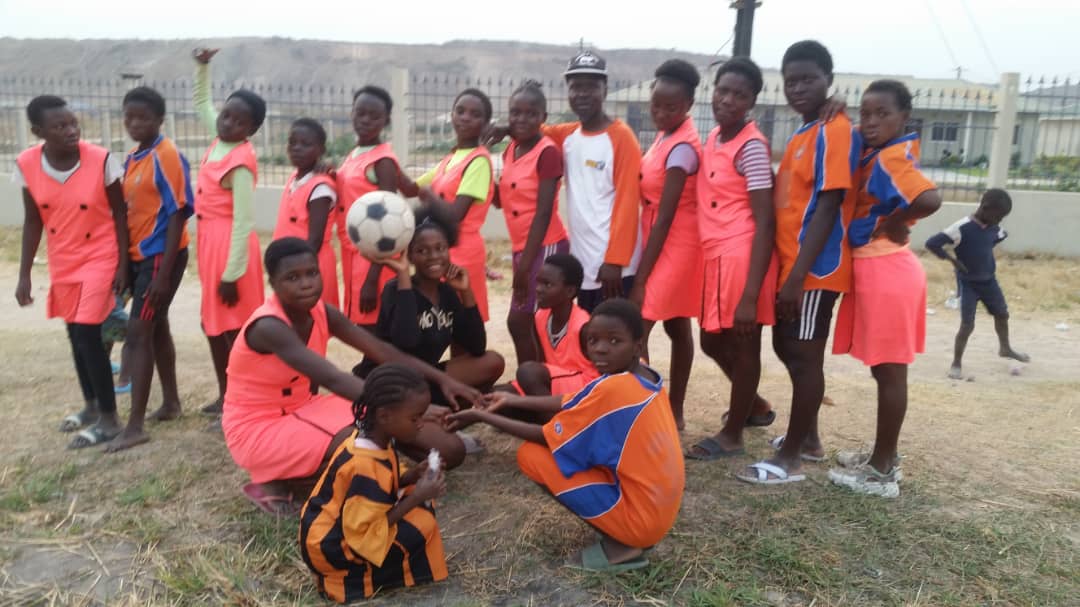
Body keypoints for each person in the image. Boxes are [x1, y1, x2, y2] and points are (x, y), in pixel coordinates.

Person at [222, 238, 480, 513]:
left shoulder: (322, 311)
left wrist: (444, 380)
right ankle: (275, 481)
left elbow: (382, 350)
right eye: (292, 277)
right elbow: (333, 378)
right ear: (273, 283)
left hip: (306, 408)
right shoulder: (268, 326)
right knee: (366, 449)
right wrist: (409, 409)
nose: (306, 283)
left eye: (312, 273)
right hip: (258, 425)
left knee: (450, 450)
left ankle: (342, 466)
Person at [447, 299, 683, 572]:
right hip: (658, 512)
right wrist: (512, 400)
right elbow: (576, 398)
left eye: (614, 341)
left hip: (643, 523)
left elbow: (546, 436)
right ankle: (627, 530)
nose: (600, 349)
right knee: (576, 455)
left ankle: (624, 545)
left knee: (532, 455)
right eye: (593, 340)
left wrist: (482, 416)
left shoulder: (616, 389)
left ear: (637, 346)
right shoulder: (642, 373)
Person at [738, 40, 860, 485]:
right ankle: (807, 439)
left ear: (829, 80)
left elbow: (827, 207)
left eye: (809, 79)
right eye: (791, 81)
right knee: (788, 348)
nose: (798, 88)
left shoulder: (834, 130)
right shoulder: (807, 131)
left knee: (805, 357)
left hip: (814, 270)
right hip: (793, 267)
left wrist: (796, 277)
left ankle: (790, 458)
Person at [828, 80, 942, 498]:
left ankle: (882, 471)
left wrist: (895, 222)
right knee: (883, 370)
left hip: (887, 271)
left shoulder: (893, 157)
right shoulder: (876, 147)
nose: (871, 122)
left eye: (883, 114)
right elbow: (850, 134)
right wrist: (838, 108)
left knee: (891, 371)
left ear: (904, 118)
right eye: (866, 113)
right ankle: (883, 455)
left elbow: (930, 199)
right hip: (879, 269)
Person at [14, 95, 129, 448]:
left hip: (100, 254)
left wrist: (123, 265)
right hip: (63, 257)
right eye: (60, 126)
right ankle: (91, 406)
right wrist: (24, 274)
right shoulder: (27, 164)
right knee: (74, 334)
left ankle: (110, 419)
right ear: (38, 131)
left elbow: (120, 213)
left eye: (73, 123)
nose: (71, 130)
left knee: (89, 333)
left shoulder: (101, 160)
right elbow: (33, 220)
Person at [685, 57, 781, 460]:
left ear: (752, 101)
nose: (727, 100)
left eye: (739, 95)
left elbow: (765, 222)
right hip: (716, 255)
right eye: (722, 90)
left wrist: (750, 295)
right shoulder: (715, 138)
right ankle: (754, 406)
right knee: (711, 340)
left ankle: (732, 435)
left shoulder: (751, 147)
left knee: (744, 346)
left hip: (742, 256)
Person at [300, 364, 448, 603]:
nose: (421, 424)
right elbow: (364, 532)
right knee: (423, 524)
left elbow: (383, 484)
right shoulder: (363, 464)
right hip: (333, 550)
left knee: (419, 501)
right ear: (384, 416)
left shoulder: (371, 439)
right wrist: (416, 498)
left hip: (334, 531)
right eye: (415, 418)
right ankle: (362, 579)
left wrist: (412, 476)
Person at [106, 86, 194, 452]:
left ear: (159, 119)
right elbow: (128, 214)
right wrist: (125, 264)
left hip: (160, 257)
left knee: (139, 333)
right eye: (129, 117)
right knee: (156, 326)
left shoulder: (166, 155)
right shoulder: (132, 158)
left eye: (143, 117)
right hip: (139, 257)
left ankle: (134, 426)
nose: (134, 123)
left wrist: (162, 274)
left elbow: (177, 214)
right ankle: (171, 403)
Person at [528, 51, 642, 312]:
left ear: (605, 90)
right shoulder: (568, 136)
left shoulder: (622, 138)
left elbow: (627, 202)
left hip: (614, 267)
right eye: (575, 87)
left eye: (591, 86)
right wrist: (505, 127)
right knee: (589, 330)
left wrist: (615, 260)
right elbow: (531, 128)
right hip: (584, 262)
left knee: (614, 332)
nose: (582, 94)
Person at [354, 205, 504, 403]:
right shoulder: (396, 289)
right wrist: (403, 276)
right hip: (388, 380)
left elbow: (476, 347)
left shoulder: (447, 293)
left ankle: (448, 414)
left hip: (424, 377)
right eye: (422, 251)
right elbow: (405, 343)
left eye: (440, 248)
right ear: (409, 256)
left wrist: (466, 291)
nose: (434, 256)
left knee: (492, 362)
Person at [628, 59, 703, 430]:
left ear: (688, 105)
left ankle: (656, 409)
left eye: (670, 107)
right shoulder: (666, 135)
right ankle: (669, 410)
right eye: (655, 105)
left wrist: (642, 277)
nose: (660, 112)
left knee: (638, 325)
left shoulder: (683, 148)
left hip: (677, 242)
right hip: (659, 236)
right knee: (677, 325)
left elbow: (667, 216)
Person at [191, 48, 267, 416]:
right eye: (226, 115)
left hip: (229, 249)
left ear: (250, 131)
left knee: (235, 327)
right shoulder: (219, 140)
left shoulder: (240, 161)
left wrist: (232, 274)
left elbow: (243, 222)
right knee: (212, 323)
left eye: (239, 122)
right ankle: (225, 396)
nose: (228, 123)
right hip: (209, 243)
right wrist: (202, 67)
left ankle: (243, 399)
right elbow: (201, 103)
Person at [405, 89, 495, 321]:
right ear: (452, 115)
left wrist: (429, 195)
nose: (465, 117)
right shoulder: (450, 159)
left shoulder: (479, 162)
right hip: (442, 250)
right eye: (460, 111)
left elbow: (455, 214)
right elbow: (410, 188)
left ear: (485, 124)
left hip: (463, 251)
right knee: (440, 321)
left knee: (463, 323)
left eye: (475, 114)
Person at [497, 80, 570, 363]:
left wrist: (525, 266)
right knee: (526, 322)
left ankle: (539, 379)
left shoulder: (547, 152)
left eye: (531, 114)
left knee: (524, 321)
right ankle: (534, 378)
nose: (521, 119)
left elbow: (543, 212)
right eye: (515, 112)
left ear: (543, 117)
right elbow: (505, 198)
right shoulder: (511, 149)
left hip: (545, 247)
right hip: (524, 248)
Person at [925, 188, 1028, 379]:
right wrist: (952, 260)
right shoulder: (961, 228)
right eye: (999, 216)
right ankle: (956, 363)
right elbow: (932, 243)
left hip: (989, 281)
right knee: (967, 324)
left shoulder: (994, 228)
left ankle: (1005, 348)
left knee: (1002, 315)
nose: (1000, 221)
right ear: (985, 208)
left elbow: (998, 237)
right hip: (969, 284)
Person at [336, 86, 404, 328]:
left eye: (374, 116)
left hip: (375, 257)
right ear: (351, 113)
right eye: (360, 113)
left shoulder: (382, 161)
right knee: (360, 326)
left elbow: (390, 222)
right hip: (355, 252)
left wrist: (372, 279)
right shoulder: (354, 154)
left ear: (386, 121)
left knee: (374, 329)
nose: (365, 120)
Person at [512, 253, 598, 400]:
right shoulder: (540, 317)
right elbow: (542, 364)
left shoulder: (584, 327)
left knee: (527, 372)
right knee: (500, 393)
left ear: (570, 291)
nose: (538, 289)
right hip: (555, 383)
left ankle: (554, 414)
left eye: (547, 284)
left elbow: (604, 371)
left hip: (585, 388)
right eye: (538, 282)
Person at [273, 118, 338, 307]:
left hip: (307, 269)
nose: (296, 148)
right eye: (292, 143)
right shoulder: (295, 178)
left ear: (321, 150)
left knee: (313, 318)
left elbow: (314, 241)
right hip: (291, 267)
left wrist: (293, 272)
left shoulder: (320, 188)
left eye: (305, 144)